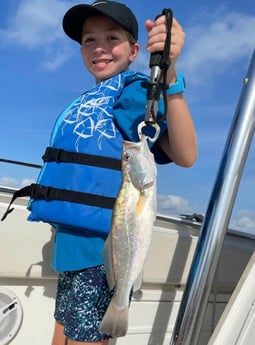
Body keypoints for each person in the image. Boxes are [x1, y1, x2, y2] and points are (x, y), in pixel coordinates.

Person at [44, 1, 197, 344]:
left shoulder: (130, 94)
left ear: (134, 50)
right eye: (88, 40)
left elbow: (185, 155)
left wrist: (169, 77)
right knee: (62, 333)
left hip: (105, 253)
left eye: (111, 37)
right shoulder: (91, 99)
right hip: (70, 246)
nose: (98, 46)